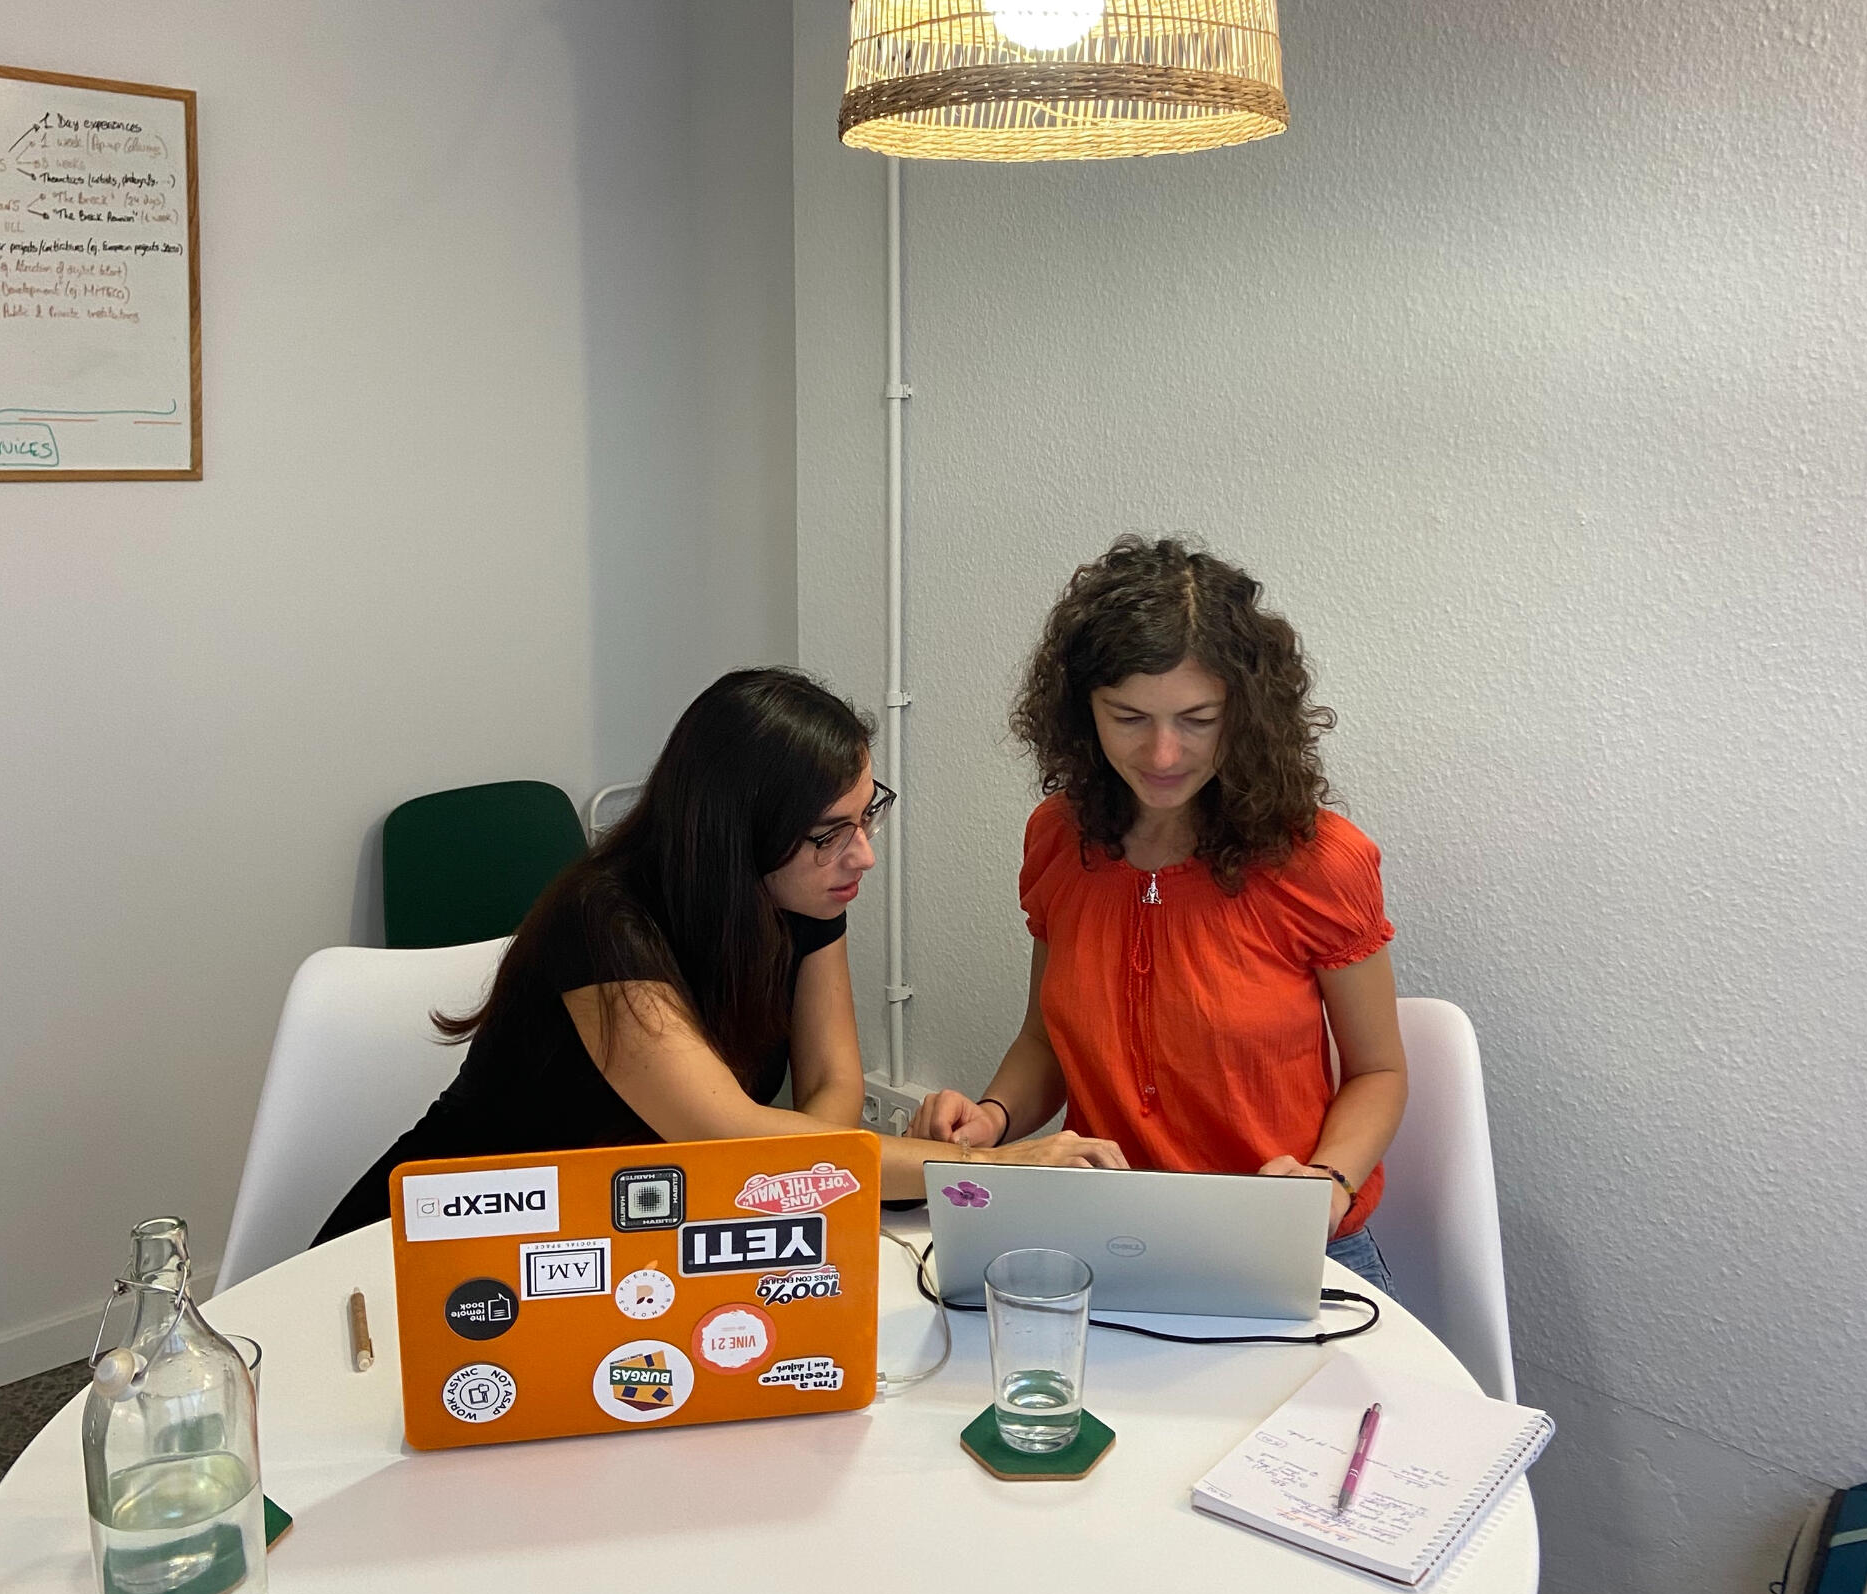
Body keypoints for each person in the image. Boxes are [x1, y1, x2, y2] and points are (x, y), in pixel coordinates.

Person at [316, 667, 1124, 1241]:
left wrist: (800, 1178)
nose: (862, 855)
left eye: (866, 815)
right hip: (440, 1238)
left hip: (614, 1231)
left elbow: (832, 1085)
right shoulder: (603, 924)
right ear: (737, 836)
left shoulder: (802, 896)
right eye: (828, 834)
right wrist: (998, 1165)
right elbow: (731, 1135)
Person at [911, 539, 1407, 1290]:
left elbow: (1379, 1071)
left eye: (1198, 719)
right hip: (1107, 1234)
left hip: (1286, 1241)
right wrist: (992, 1118)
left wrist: (1327, 1183)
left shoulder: (1318, 860)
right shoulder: (1059, 838)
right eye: (1129, 717)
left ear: (1246, 714)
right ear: (1083, 712)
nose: (1164, 753)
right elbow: (1046, 1039)